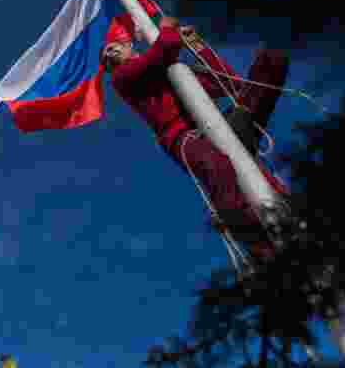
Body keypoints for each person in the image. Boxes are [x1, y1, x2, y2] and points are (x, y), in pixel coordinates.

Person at [102, 15, 290, 260]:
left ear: (130, 46)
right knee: (218, 166)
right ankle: (252, 237)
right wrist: (167, 30)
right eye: (106, 55)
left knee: (269, 66)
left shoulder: (174, 71)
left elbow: (227, 82)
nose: (109, 52)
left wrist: (197, 46)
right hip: (184, 138)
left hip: (218, 125)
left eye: (113, 45)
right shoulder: (122, 78)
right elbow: (164, 48)